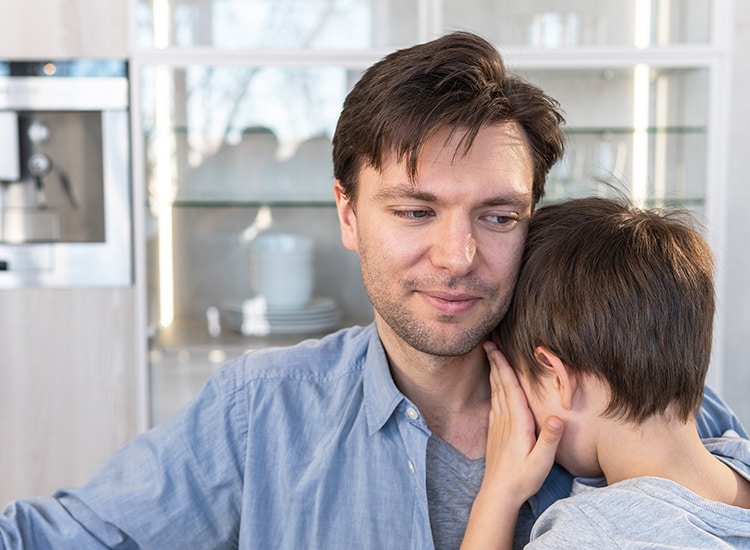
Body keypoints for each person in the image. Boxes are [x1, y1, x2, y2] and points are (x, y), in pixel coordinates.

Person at [1, 32, 746, 549]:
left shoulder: (626, 385)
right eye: (416, 211)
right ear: (349, 214)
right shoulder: (260, 417)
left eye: (497, 216)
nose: (458, 257)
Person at [462, 196, 750, 549]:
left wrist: (499, 493)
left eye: (516, 391)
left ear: (557, 377)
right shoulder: (739, 453)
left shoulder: (589, 535)